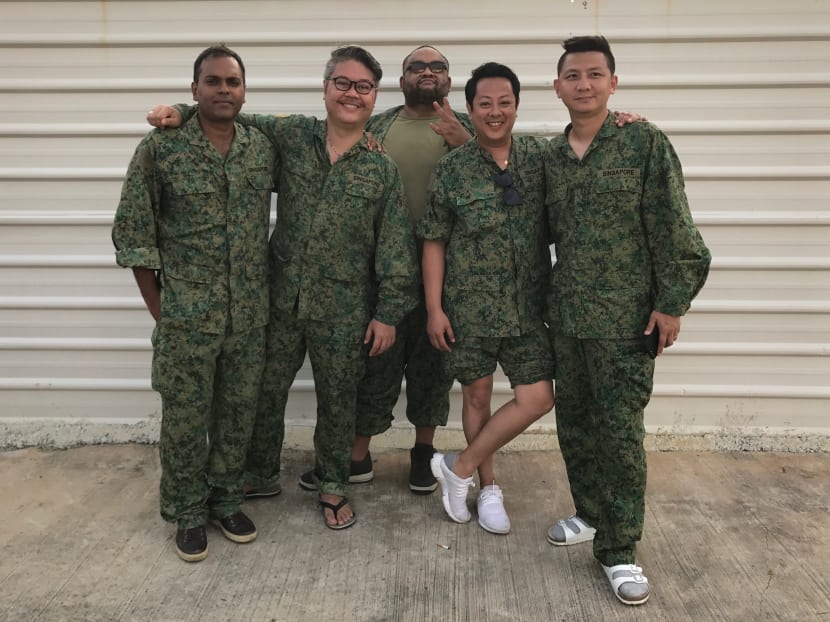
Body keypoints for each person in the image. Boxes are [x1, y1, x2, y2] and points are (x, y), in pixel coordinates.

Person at [147, 46, 419, 529]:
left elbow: (395, 249)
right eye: (342, 83)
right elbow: (228, 112)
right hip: (278, 297)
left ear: (375, 96)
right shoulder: (293, 135)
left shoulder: (380, 169)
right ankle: (258, 472)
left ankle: (333, 485)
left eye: (363, 87)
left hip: (344, 307)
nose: (351, 94)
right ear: (326, 87)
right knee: (262, 391)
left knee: (339, 398)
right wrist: (182, 110)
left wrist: (388, 313)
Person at [543, 36, 711, 605]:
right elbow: (493, 149)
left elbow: (676, 230)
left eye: (595, 74)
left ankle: (619, 550)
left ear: (613, 83)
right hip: (567, 319)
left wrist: (672, 303)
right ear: (558, 85)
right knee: (576, 427)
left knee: (619, 437)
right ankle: (590, 513)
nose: (583, 84)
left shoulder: (643, 143)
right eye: (573, 75)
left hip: (626, 322)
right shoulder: (551, 156)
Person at [112, 45, 276, 562]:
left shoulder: (261, 147)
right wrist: (163, 312)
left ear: (244, 90)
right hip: (188, 316)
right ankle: (186, 510)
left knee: (236, 413)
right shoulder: (160, 150)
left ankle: (226, 498)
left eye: (233, 82)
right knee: (185, 420)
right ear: (194, 90)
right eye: (212, 82)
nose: (223, 90)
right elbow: (135, 236)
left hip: (248, 316)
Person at [296, 45, 475, 496]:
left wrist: (466, 145)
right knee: (376, 366)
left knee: (433, 366)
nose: (427, 73)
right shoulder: (378, 124)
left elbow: (503, 177)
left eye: (438, 67)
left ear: (449, 81)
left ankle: (422, 451)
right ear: (402, 81)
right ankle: (357, 454)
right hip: (382, 273)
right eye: (417, 67)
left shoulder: (469, 128)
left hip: (448, 273)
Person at [417, 62, 556, 535]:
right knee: (476, 395)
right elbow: (433, 241)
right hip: (469, 308)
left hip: (528, 308)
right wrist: (435, 309)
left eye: (504, 102)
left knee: (537, 398)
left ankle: (458, 467)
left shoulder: (541, 160)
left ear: (517, 105)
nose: (495, 112)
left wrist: (627, 120)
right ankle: (487, 485)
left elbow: (588, 147)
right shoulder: (453, 170)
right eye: (484, 103)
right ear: (470, 108)